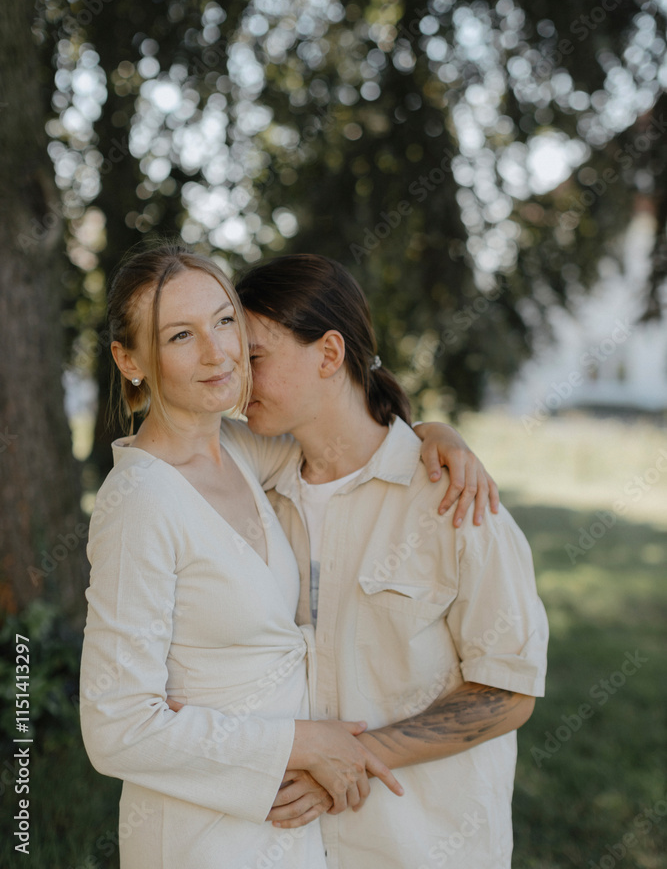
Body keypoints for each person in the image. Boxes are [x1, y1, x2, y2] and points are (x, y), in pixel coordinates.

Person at [79, 245, 491, 869]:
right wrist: (301, 745)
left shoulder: (242, 454)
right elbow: (115, 728)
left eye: (224, 322)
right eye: (181, 335)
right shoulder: (139, 502)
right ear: (129, 359)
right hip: (203, 833)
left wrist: (434, 437)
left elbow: (347, 430)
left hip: (289, 826)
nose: (219, 352)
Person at [197, 253, 548, 869]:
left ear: (329, 354)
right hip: (287, 848)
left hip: (421, 848)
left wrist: (353, 755)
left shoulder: (455, 501)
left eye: (254, 358)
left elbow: (508, 691)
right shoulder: (251, 485)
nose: (238, 381)